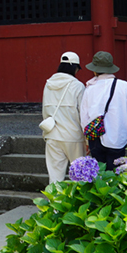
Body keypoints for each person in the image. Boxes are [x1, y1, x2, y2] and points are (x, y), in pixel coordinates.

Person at [79, 51, 127, 167]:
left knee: (99, 173)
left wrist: (87, 137)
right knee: (116, 172)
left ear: (94, 70)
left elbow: (84, 117)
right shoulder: (124, 86)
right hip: (118, 135)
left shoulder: (89, 89)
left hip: (95, 137)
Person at [40, 51, 85, 184]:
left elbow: (45, 111)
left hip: (53, 135)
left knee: (54, 176)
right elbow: (83, 114)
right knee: (80, 175)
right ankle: (77, 203)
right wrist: (87, 139)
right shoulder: (78, 86)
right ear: (75, 68)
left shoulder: (48, 84)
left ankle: (55, 203)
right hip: (73, 136)